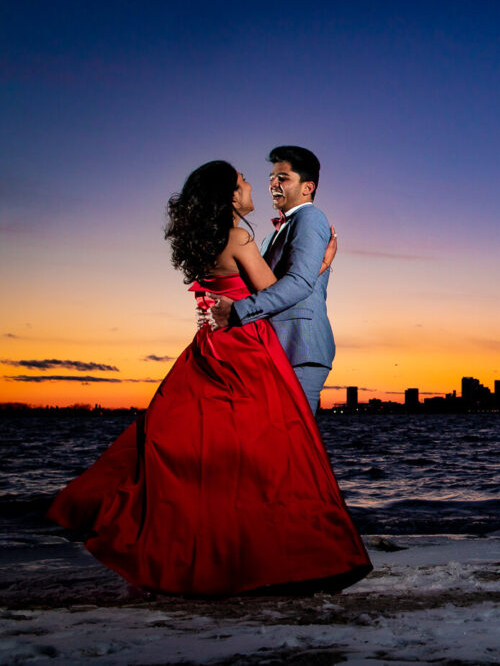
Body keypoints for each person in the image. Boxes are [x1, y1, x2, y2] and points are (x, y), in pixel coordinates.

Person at [46, 160, 372, 596]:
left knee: (191, 449)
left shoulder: (203, 241)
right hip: (246, 350)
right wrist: (322, 265)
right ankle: (279, 557)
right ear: (232, 197)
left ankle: (201, 549)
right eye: (243, 182)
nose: (254, 184)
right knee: (276, 455)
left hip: (207, 349)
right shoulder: (240, 237)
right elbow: (274, 289)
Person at [210, 146, 335, 413]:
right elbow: (268, 283)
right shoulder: (270, 236)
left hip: (300, 347)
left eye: (283, 178)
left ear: (307, 187)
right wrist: (323, 265)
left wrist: (237, 311)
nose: (273, 185)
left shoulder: (311, 218)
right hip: (276, 349)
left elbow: (299, 283)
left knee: (298, 444)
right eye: (271, 178)